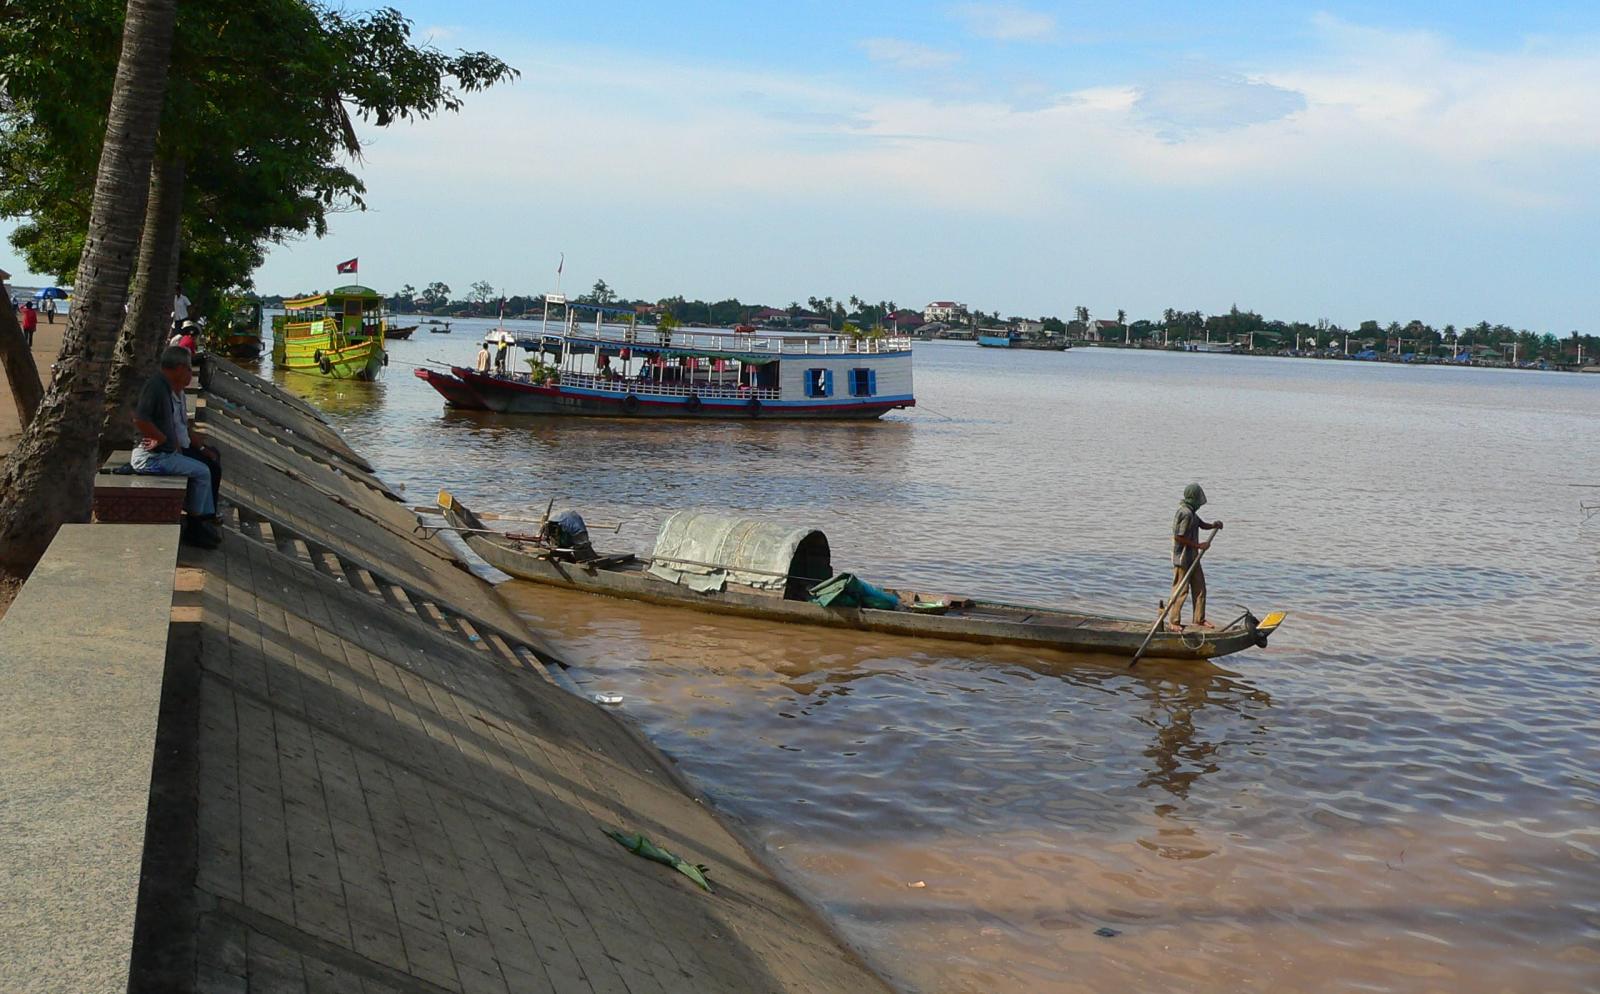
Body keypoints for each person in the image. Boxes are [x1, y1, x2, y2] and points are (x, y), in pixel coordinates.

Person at [131, 346, 224, 548]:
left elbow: (181, 427)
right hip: (153, 458)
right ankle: (196, 525)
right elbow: (140, 420)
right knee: (203, 471)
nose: (191, 374)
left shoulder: (169, 388)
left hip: (166, 453)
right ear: (180, 368)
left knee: (209, 463)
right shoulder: (156, 387)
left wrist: (196, 447)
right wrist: (163, 440)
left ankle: (201, 521)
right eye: (189, 369)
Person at [1166, 482, 1223, 632]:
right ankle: (1174, 621)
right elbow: (1179, 537)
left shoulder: (1192, 513)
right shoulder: (1184, 513)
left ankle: (1199, 619)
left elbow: (1200, 524)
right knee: (1181, 590)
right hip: (1183, 558)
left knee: (1200, 587)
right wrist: (1199, 545)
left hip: (1193, 558)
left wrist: (1213, 525)